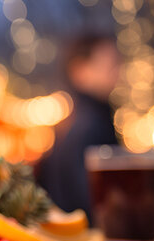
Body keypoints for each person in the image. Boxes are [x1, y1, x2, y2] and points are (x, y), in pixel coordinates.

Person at [36, 35, 121, 220]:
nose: (116, 72)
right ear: (79, 71)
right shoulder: (89, 127)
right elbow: (95, 203)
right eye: (107, 65)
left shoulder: (74, 121)